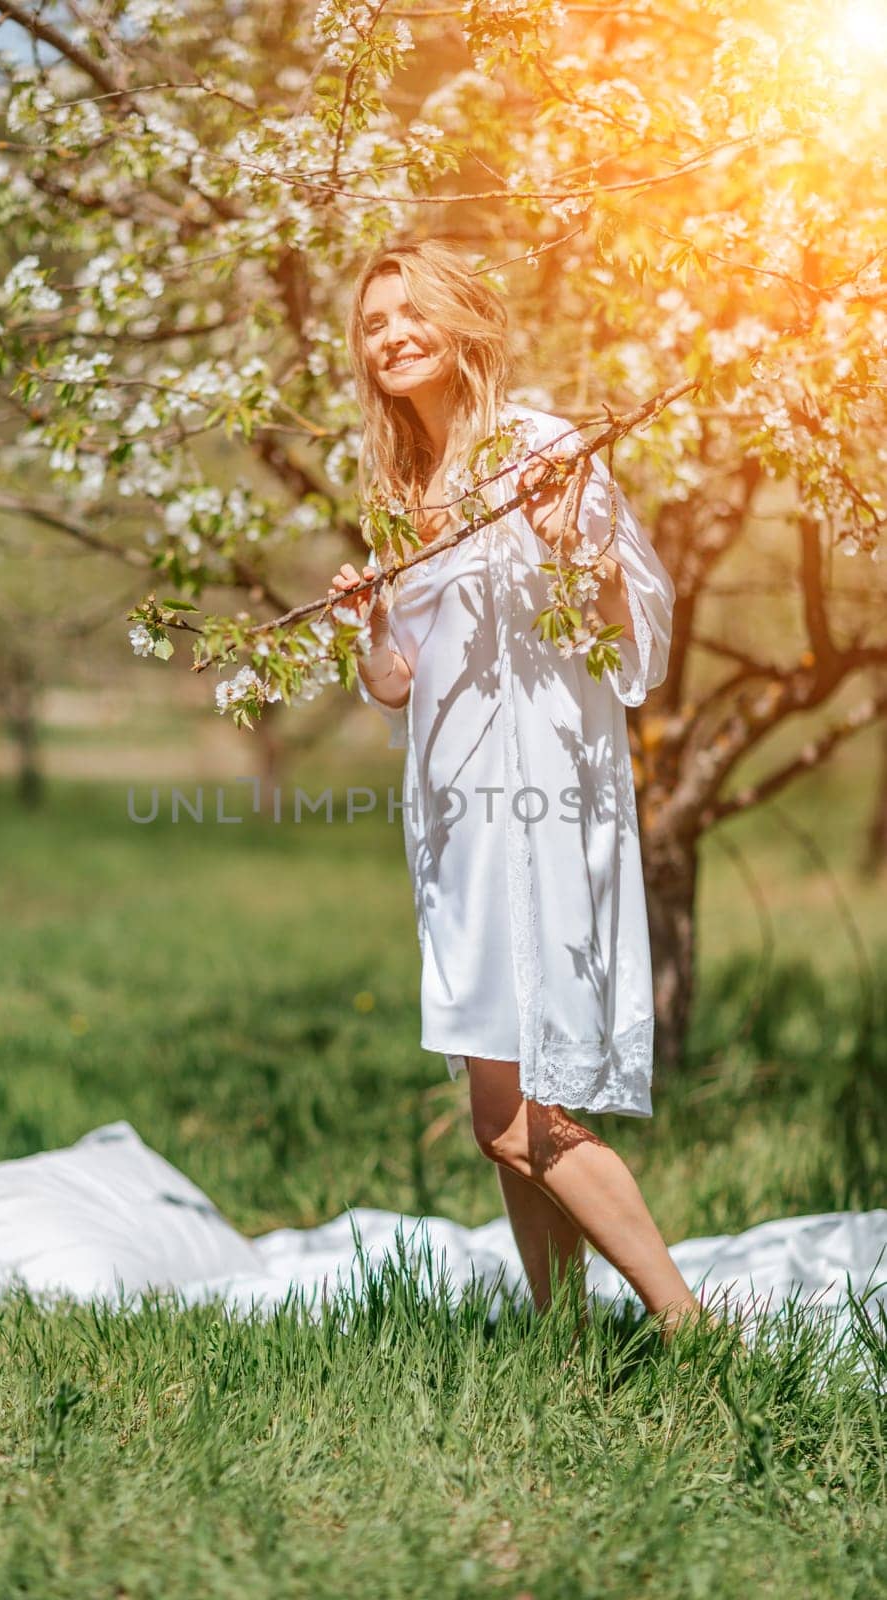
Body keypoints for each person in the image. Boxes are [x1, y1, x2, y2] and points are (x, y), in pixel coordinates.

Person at [328, 237, 722, 1348]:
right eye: (372, 323)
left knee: (516, 1115)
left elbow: (628, 630)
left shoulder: (536, 449)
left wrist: (579, 551)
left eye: (410, 313)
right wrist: (367, 625)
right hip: (453, 816)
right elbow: (398, 686)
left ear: (460, 325)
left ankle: (684, 1324)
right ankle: (561, 1342)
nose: (391, 335)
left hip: (536, 801)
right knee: (493, 1114)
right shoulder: (403, 491)